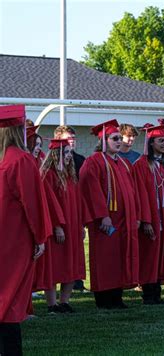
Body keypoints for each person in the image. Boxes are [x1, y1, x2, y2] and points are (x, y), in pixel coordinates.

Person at [0, 105, 51, 355]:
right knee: (9, 298)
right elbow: (33, 204)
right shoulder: (21, 160)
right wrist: (40, 237)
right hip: (13, 239)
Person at [79, 119, 139, 309]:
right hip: (106, 222)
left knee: (119, 258)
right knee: (105, 259)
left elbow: (132, 191)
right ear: (103, 140)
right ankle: (104, 299)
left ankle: (116, 297)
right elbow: (92, 191)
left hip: (123, 220)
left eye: (120, 138)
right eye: (114, 138)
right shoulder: (94, 162)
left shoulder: (122, 162)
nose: (119, 141)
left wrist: (134, 215)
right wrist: (102, 215)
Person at [133, 121, 164, 304]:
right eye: (161, 140)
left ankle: (157, 292)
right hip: (151, 217)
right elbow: (140, 193)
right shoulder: (141, 165)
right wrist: (146, 221)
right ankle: (148, 294)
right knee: (149, 255)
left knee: (162, 254)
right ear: (151, 143)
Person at [41, 139, 86, 313]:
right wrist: (57, 226)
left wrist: (81, 225)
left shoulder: (70, 176)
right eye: (64, 153)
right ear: (55, 155)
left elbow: (78, 203)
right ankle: (52, 304)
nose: (68, 156)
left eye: (69, 153)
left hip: (73, 227)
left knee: (71, 263)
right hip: (57, 228)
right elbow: (48, 204)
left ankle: (64, 302)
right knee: (55, 265)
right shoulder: (48, 175)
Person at [54, 125, 87, 293]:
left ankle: (76, 284)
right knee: (57, 257)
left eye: (73, 138)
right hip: (59, 219)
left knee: (74, 255)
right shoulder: (50, 169)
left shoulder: (80, 161)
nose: (71, 142)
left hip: (74, 216)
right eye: (68, 138)